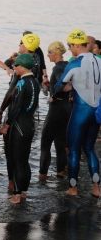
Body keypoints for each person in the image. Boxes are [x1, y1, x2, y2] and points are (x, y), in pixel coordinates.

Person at [54, 29, 101, 197]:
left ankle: (73, 188)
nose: (70, 49)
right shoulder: (99, 60)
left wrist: (68, 87)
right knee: (89, 149)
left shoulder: (74, 63)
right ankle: (97, 188)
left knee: (74, 150)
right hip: (96, 112)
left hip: (81, 111)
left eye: (70, 45)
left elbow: (58, 86)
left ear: (75, 45)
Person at [0, 54, 40, 204]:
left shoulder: (22, 83)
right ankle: (23, 192)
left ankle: (16, 194)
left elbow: (16, 107)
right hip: (29, 124)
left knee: (16, 160)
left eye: (16, 66)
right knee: (24, 160)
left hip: (19, 125)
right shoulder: (35, 82)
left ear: (22, 67)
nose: (14, 68)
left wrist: (7, 125)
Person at [38, 41, 70, 181]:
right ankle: (61, 172)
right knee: (61, 142)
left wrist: (54, 95)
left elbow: (64, 86)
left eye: (50, 52)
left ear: (57, 54)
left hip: (56, 109)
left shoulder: (58, 68)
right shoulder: (68, 66)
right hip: (67, 110)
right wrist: (50, 86)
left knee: (45, 142)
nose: (48, 55)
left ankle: (42, 175)